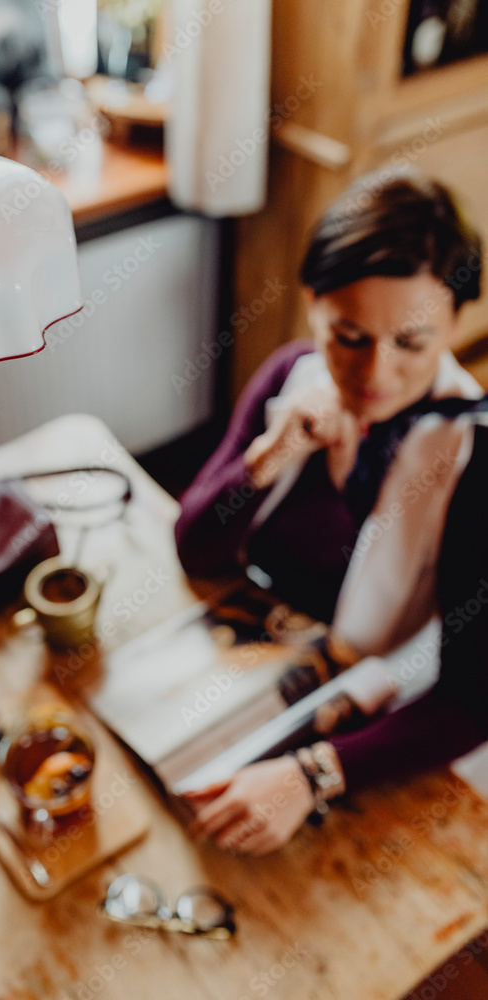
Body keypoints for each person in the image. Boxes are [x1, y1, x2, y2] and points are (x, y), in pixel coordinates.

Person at [175, 169, 488, 856]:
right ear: (313, 303)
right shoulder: (293, 376)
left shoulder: (471, 457)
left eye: (410, 343)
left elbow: (472, 699)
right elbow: (195, 549)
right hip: (244, 661)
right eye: (348, 335)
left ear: (456, 322)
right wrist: (268, 457)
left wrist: (312, 776)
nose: (374, 374)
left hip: (366, 724)